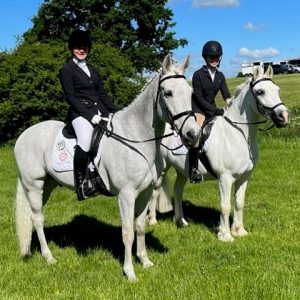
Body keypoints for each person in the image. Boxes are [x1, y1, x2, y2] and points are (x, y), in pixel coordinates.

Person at [59, 29, 117, 200]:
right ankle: (81, 185)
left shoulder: (93, 69)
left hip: (100, 111)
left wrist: (115, 112)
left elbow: (102, 94)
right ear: (72, 49)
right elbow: (70, 97)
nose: (81, 50)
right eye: (77, 47)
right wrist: (89, 115)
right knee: (85, 140)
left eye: (84, 47)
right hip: (79, 113)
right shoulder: (66, 69)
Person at [189, 40, 231, 183]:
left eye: (216, 57)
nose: (214, 60)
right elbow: (199, 98)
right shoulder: (197, 75)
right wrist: (216, 110)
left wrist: (230, 106)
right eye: (211, 57)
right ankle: (193, 168)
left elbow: (226, 95)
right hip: (199, 110)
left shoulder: (220, 76)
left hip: (212, 109)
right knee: (197, 133)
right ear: (205, 58)